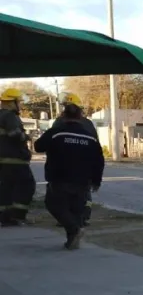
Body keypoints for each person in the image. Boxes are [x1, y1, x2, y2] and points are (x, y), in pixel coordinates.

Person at [33, 99, 105, 250]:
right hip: (83, 180)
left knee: (53, 204)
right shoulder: (90, 137)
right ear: (80, 117)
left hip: (60, 178)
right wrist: (96, 181)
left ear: (63, 116)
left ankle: (74, 231)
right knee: (76, 209)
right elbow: (99, 160)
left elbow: (38, 146)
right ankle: (72, 239)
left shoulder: (56, 133)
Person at [52, 93, 98, 226]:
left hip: (63, 167)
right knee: (83, 193)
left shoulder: (59, 122)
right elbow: (95, 146)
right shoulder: (88, 123)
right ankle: (82, 218)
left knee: (64, 193)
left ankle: (67, 219)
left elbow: (51, 144)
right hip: (83, 167)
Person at [0, 88, 36, 227]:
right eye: (18, 102)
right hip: (15, 160)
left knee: (6, 188)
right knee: (27, 186)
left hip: (4, 160)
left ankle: (5, 218)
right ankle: (18, 216)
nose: (20, 104)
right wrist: (26, 136)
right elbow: (14, 134)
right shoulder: (9, 116)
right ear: (11, 102)